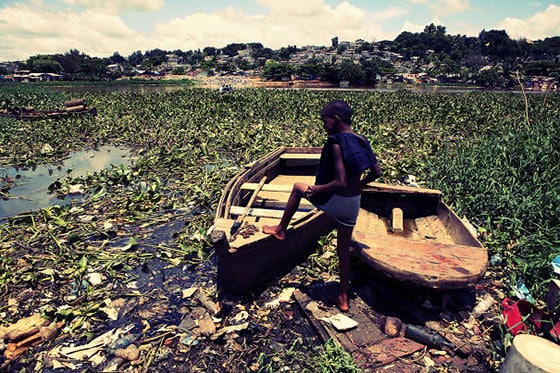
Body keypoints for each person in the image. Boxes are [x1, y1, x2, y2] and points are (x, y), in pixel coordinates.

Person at [262, 99, 381, 312]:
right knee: (342, 251)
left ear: (335, 120)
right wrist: (360, 186)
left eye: (324, 121)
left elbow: (340, 182)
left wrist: (317, 190)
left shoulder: (336, 142)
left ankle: (280, 230)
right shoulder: (362, 140)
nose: (323, 126)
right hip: (353, 204)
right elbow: (376, 172)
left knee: (298, 188)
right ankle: (343, 298)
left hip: (335, 201)